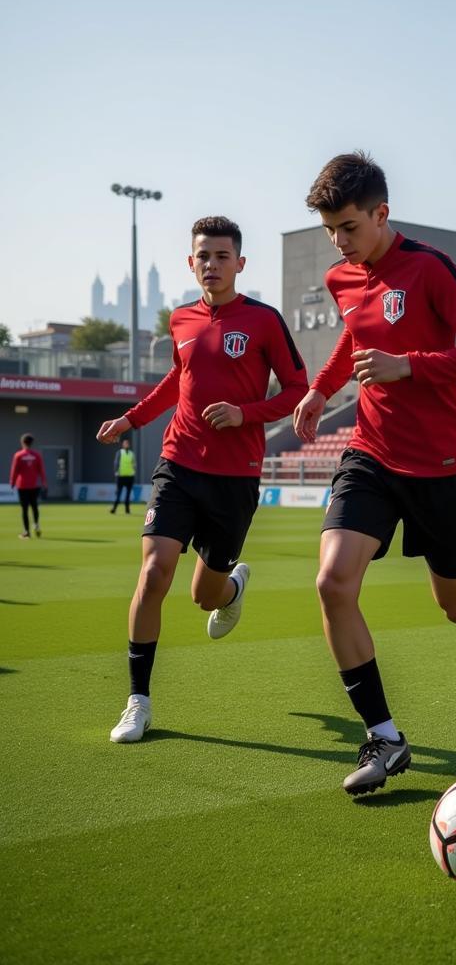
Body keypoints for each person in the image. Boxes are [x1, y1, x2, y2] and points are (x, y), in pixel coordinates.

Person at [292, 152, 456, 797]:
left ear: (382, 214)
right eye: (330, 230)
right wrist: (319, 392)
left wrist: (408, 366)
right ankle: (385, 736)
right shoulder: (341, 277)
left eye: (349, 227)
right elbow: (353, 344)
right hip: (371, 454)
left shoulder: (431, 268)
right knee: (333, 583)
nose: (339, 241)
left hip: (442, 465)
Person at [97, 216, 308, 743]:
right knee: (153, 572)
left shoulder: (264, 320)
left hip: (235, 478)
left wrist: (246, 413)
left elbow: (297, 388)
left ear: (240, 263)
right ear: (190, 263)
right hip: (179, 463)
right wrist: (131, 419)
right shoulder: (181, 319)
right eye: (201, 256)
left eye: (220, 256)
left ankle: (231, 586)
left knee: (203, 597)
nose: (210, 265)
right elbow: (178, 378)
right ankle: (138, 701)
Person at [10, 433, 46, 538]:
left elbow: (15, 471)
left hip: (22, 485)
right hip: (35, 485)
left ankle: (26, 531)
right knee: (34, 506)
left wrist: (12, 482)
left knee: (24, 509)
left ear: (22, 442)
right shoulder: (37, 455)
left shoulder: (18, 455)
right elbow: (41, 470)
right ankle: (36, 524)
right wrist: (44, 482)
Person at [111, 437, 136, 513]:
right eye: (125, 443)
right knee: (118, 494)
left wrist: (134, 471)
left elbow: (134, 464)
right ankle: (114, 508)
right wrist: (116, 471)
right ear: (123, 444)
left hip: (130, 476)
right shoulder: (119, 452)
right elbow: (116, 463)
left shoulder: (132, 453)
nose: (127, 444)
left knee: (128, 495)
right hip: (120, 476)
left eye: (128, 443)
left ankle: (127, 510)